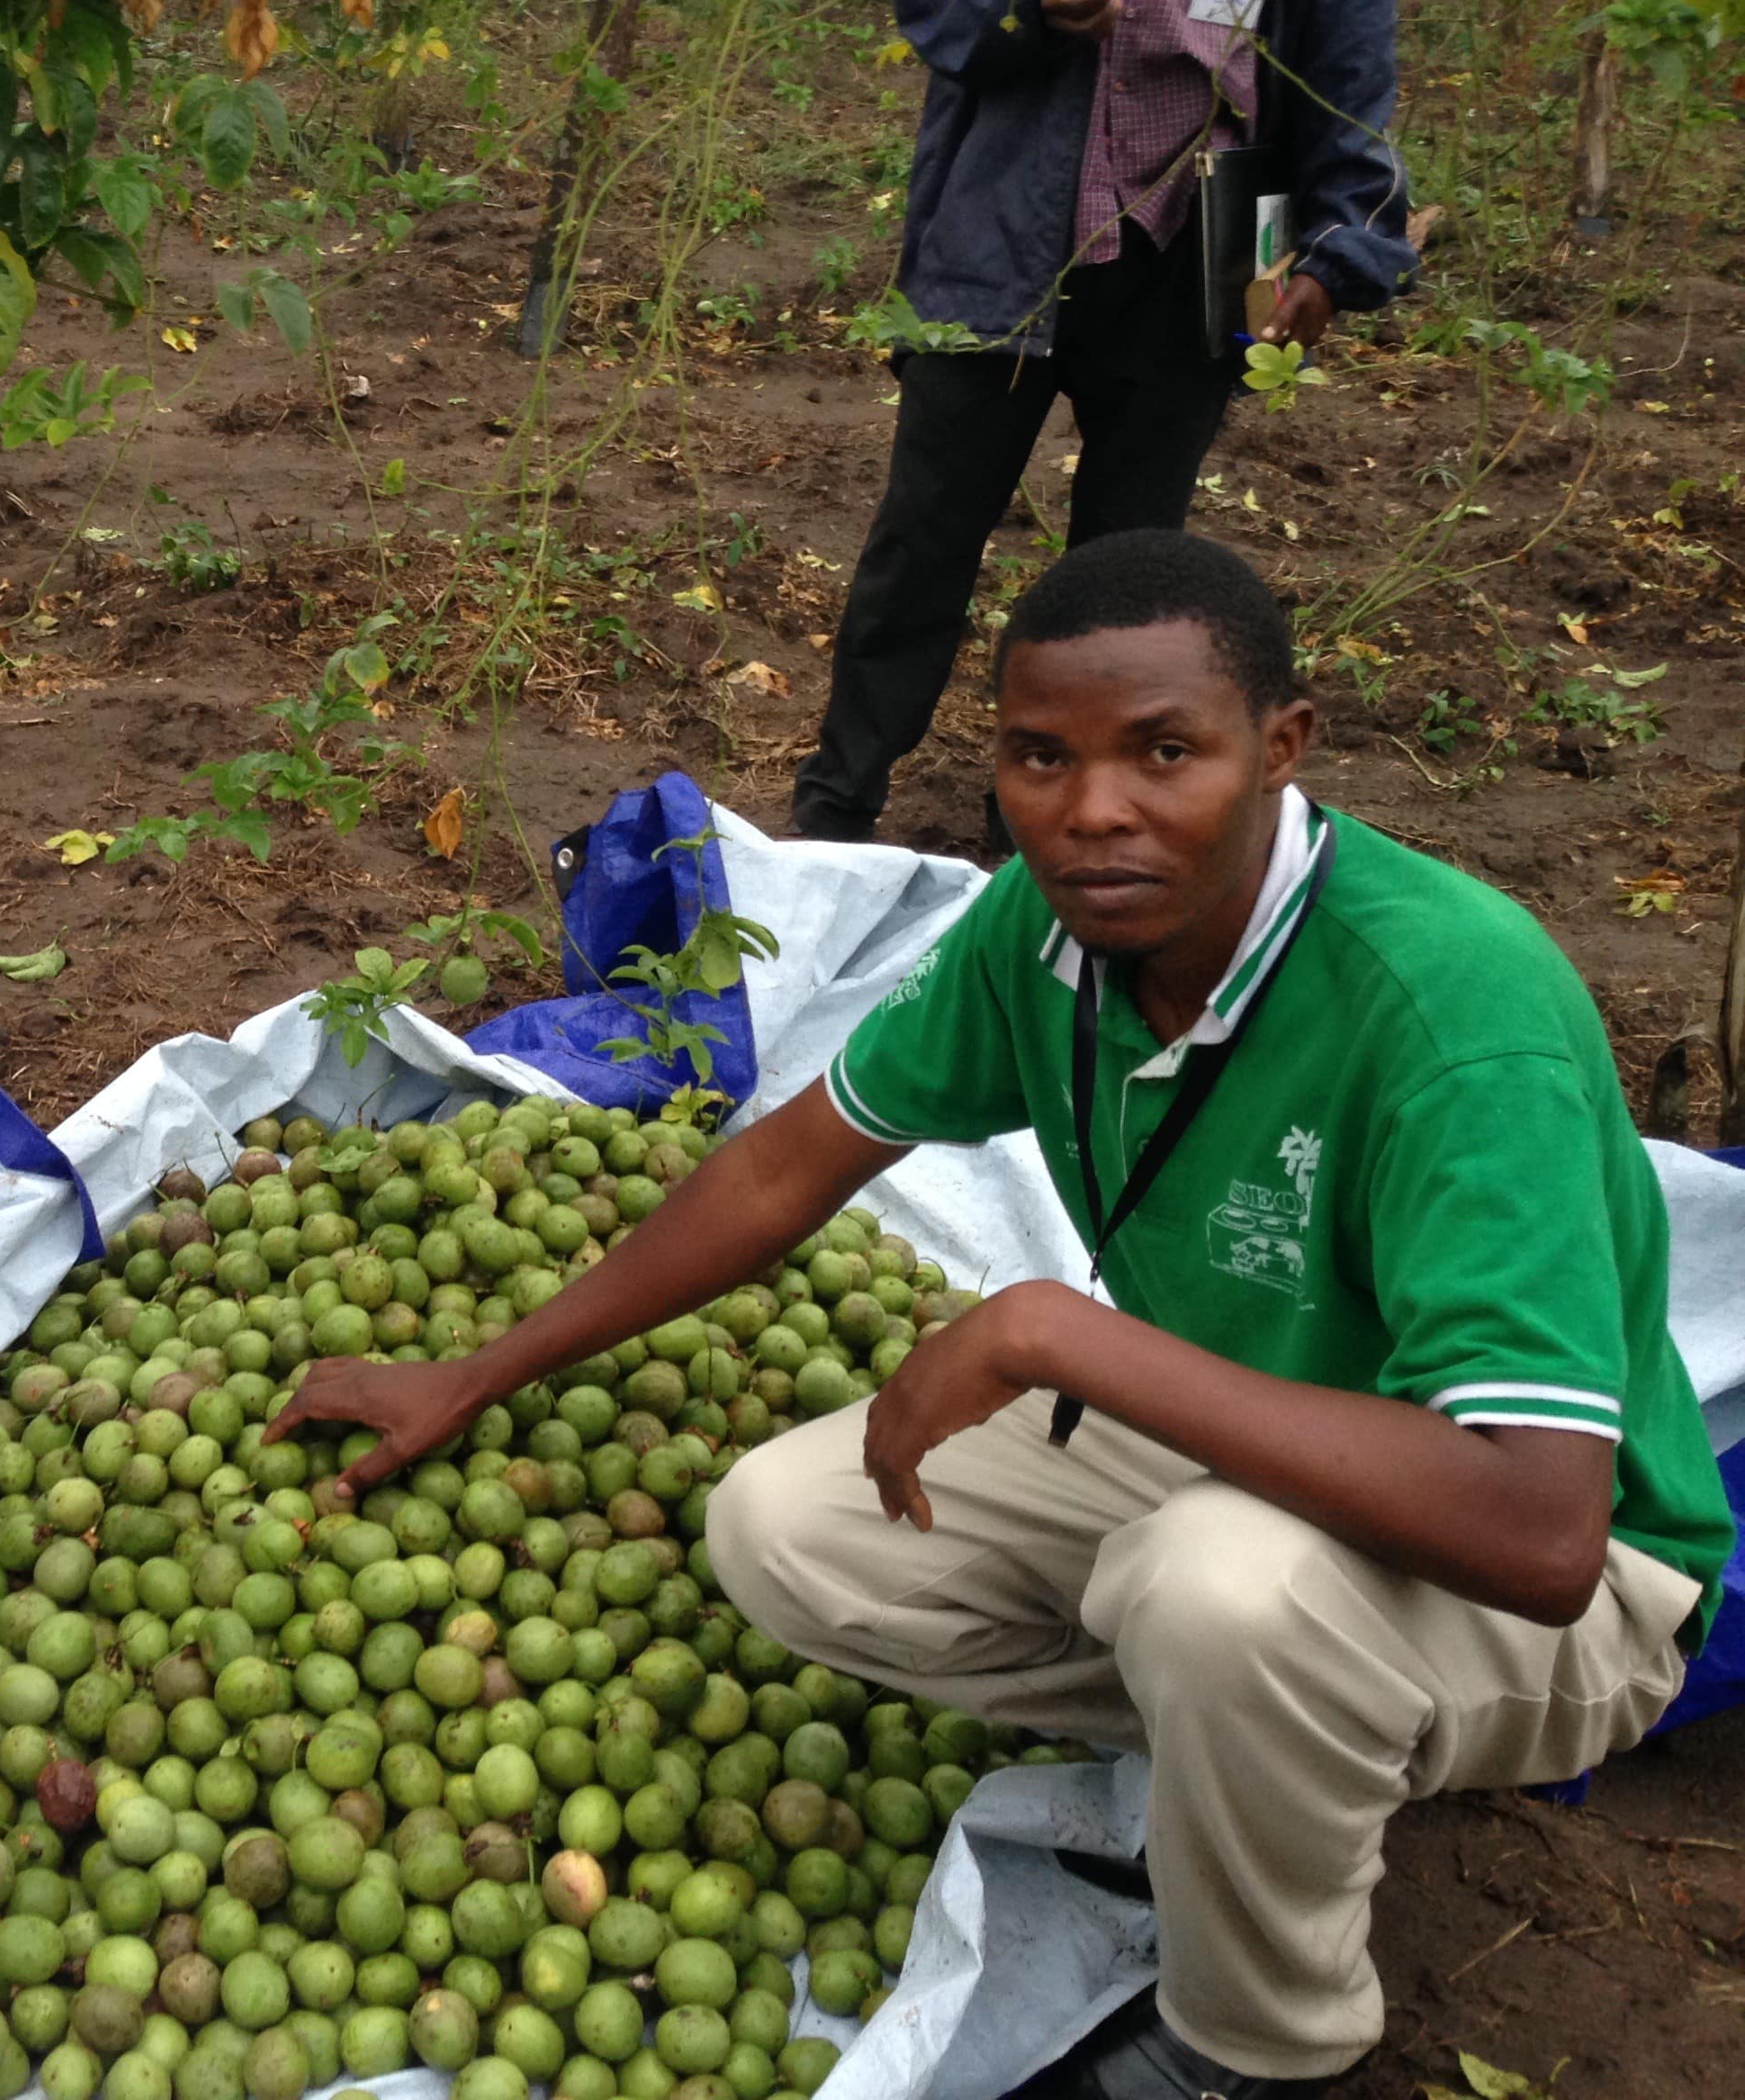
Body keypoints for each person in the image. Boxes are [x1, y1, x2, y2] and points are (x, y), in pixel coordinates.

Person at [274, 529, 1730, 2100]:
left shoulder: (1452, 1014)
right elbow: (781, 1170)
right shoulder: (1041, 933)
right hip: (1223, 1453)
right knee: (782, 1523)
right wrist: (476, 1372)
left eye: (1161, 751)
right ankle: (1278, 1741)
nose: (1091, 809)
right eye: (1040, 757)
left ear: (1278, 750)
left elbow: (1536, 1526)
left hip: (1556, 1588)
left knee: (1214, 1597)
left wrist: (1055, 1331)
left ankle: (1255, 2043)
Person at [788, 0, 1417, 843]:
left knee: (1126, 569)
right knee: (924, 533)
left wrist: (1338, 249)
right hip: (1001, 227)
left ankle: (1042, 834)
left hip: (1207, 247)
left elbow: (1348, 50)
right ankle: (834, 815)